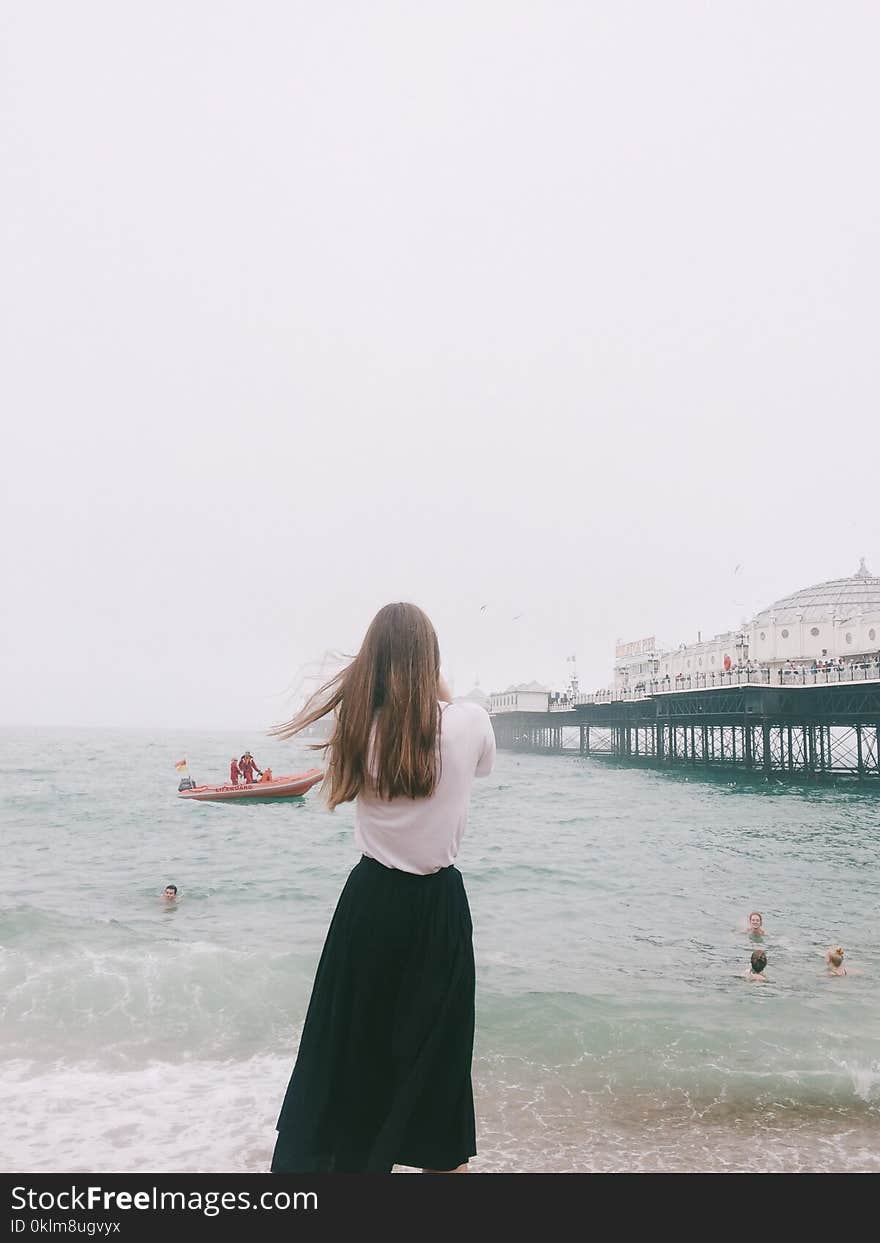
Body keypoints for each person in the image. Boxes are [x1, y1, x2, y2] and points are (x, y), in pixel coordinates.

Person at [269, 601, 496, 1175]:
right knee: (438, 1067)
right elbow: (484, 763)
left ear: (374, 662)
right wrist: (439, 687)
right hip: (436, 909)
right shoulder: (467, 723)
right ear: (430, 661)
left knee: (356, 1055)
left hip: (368, 905)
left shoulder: (354, 728)